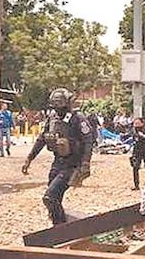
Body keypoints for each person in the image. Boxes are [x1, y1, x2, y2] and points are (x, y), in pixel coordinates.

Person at [22, 88, 94, 224]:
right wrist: (29, 158)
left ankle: (60, 226)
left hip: (72, 165)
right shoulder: (52, 118)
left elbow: (88, 141)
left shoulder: (78, 118)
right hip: (57, 163)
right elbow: (42, 139)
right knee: (55, 200)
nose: (58, 110)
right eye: (55, 106)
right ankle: (59, 228)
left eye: (61, 106)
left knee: (50, 197)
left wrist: (85, 163)